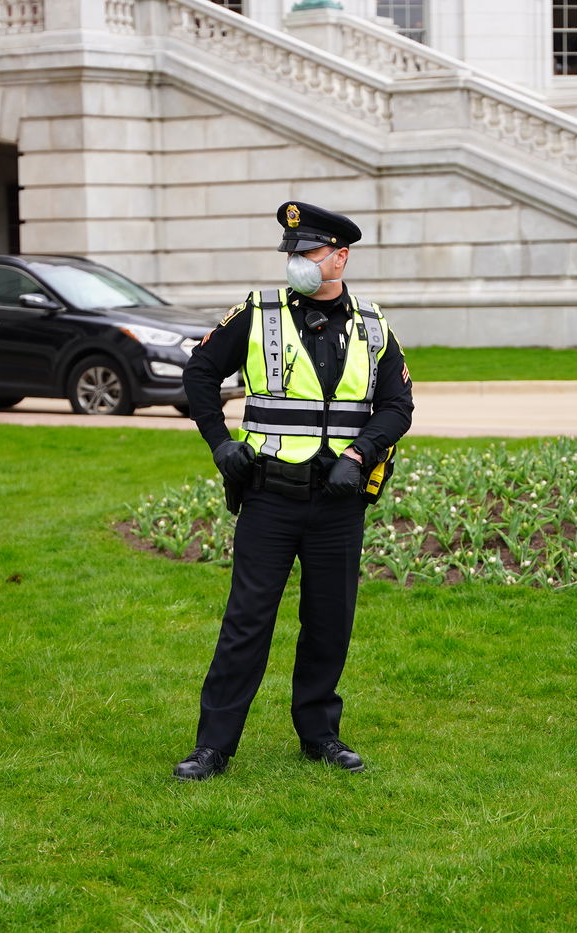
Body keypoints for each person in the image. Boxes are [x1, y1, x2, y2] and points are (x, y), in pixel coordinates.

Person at [173, 201, 414, 781]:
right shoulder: (257, 312)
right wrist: (218, 442)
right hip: (270, 497)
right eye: (293, 253)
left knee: (329, 621)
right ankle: (214, 746)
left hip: (338, 501)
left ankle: (319, 735)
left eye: (309, 253)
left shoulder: (374, 324)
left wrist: (360, 455)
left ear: (340, 257)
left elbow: (397, 406)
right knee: (247, 621)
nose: (298, 263)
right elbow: (199, 372)